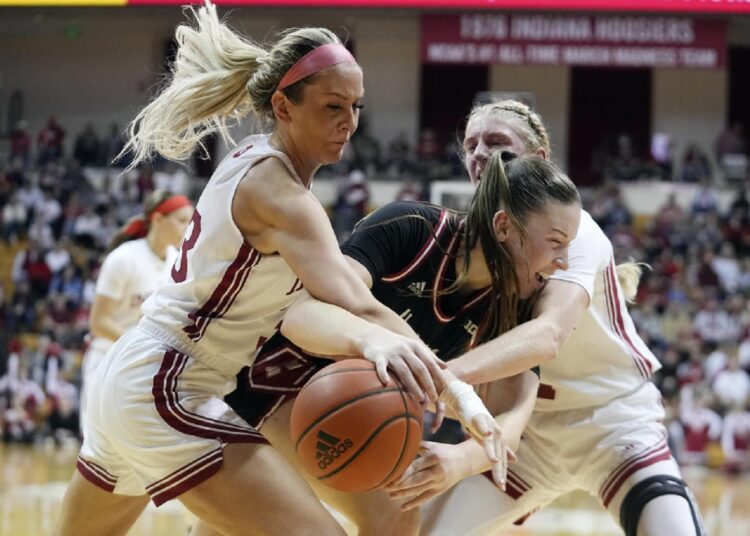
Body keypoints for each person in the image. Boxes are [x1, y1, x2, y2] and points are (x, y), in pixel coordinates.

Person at [54, 3, 493, 535]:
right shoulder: (280, 193)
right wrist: (455, 392)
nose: (349, 122)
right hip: (168, 384)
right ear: (283, 105)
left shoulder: (255, 160)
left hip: (136, 375)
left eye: (356, 106)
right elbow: (355, 303)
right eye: (333, 105)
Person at [195, 150, 580, 536]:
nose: (564, 261)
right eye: (556, 242)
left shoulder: (517, 303)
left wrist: (460, 460)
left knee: (394, 517)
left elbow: (510, 420)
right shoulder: (412, 228)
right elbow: (300, 317)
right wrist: (373, 342)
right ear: (503, 227)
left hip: (352, 408)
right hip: (275, 377)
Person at [389, 100, 706, 536]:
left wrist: (444, 375)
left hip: (610, 420)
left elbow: (549, 334)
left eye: (498, 143)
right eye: (471, 144)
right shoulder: (467, 242)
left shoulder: (576, 233)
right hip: (527, 434)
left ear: (538, 160)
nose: (481, 153)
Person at [78, 189, 194, 433]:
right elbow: (98, 322)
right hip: (107, 359)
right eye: (182, 220)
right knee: (98, 455)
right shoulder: (123, 259)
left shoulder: (178, 261)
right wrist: (142, 347)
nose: (188, 227)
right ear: (158, 219)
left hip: (147, 367)